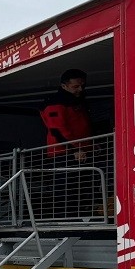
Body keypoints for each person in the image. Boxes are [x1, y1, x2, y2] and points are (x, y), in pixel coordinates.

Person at [40, 69, 95, 218]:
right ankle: (66, 222)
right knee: (66, 192)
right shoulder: (55, 103)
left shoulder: (78, 101)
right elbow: (57, 130)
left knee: (83, 189)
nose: (80, 89)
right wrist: (74, 150)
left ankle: (82, 220)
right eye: (75, 86)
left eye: (82, 85)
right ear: (64, 86)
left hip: (81, 153)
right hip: (64, 154)